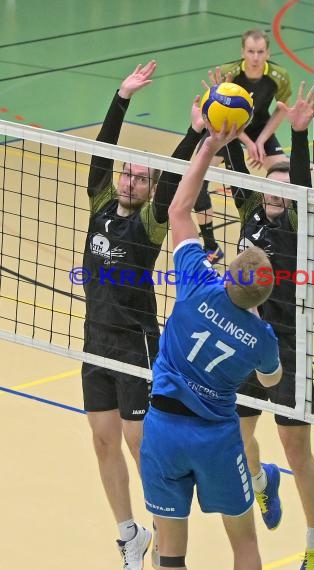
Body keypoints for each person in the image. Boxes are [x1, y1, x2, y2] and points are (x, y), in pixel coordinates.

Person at [140, 119, 283, 570]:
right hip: (217, 439)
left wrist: (209, 145)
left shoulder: (198, 283)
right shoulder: (262, 337)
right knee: (243, 543)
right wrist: (253, 325)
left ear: (226, 273)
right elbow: (271, 377)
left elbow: (180, 210)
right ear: (262, 299)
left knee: (170, 554)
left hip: (162, 430)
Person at [82, 60, 207, 570]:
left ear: (150, 187)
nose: (131, 180)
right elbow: (101, 152)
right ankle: (128, 534)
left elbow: (175, 180)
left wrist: (193, 132)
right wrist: (122, 96)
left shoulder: (152, 225)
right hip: (95, 342)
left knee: (139, 446)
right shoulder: (100, 204)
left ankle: (164, 531)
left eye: (141, 177)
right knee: (103, 441)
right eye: (128, 173)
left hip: (136, 345)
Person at [224, 81, 314, 569]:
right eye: (271, 180)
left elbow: (304, 185)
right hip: (247, 342)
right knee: (236, 435)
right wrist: (221, 131)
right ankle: (262, 482)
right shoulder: (252, 212)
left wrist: (300, 137)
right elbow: (229, 166)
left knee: (296, 448)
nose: (277, 189)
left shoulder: (297, 224)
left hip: (289, 349)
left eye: (286, 185)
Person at [194, 28, 292, 263]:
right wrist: (247, 142)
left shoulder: (279, 76)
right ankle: (211, 246)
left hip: (259, 128)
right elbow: (217, 113)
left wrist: (260, 141)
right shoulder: (230, 73)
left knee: (292, 180)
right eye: (251, 51)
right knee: (196, 179)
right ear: (243, 52)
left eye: (260, 52)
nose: (255, 57)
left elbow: (281, 109)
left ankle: (298, 241)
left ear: (268, 53)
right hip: (225, 128)